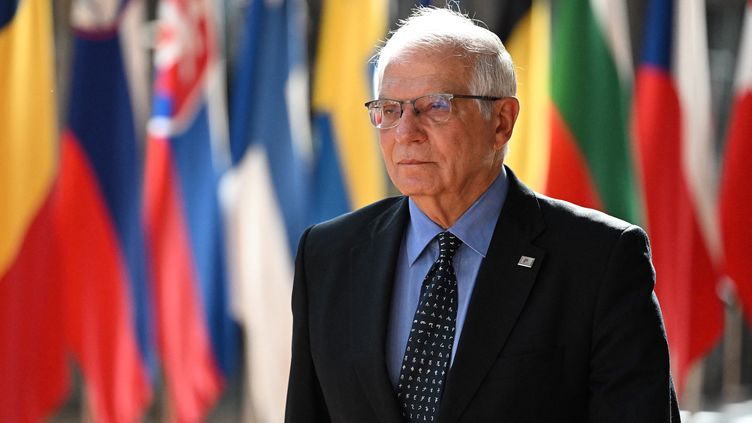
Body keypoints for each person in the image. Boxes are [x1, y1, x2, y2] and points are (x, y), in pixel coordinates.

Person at [285, 7, 680, 422]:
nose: (405, 132)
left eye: (435, 106)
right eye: (389, 109)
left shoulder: (601, 261)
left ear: (502, 122)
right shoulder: (326, 255)